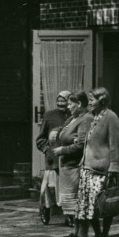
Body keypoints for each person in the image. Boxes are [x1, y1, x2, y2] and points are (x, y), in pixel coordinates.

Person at [71, 87, 119, 237]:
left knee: (103, 204)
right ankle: (98, 236)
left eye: (92, 100)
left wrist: (114, 166)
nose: (90, 103)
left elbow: (115, 144)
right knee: (89, 205)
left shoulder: (111, 117)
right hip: (88, 168)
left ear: (102, 100)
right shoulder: (95, 117)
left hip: (101, 169)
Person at [52, 91, 92, 233]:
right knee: (71, 203)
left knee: (77, 201)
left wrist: (63, 150)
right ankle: (76, 231)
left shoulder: (85, 119)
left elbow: (81, 144)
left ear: (79, 104)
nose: (68, 107)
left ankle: (81, 233)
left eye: (70, 104)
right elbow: (64, 131)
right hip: (67, 167)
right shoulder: (73, 118)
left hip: (75, 165)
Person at [35, 90, 71, 224]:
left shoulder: (73, 116)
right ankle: (46, 210)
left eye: (64, 101)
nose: (61, 104)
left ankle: (69, 215)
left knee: (67, 188)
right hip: (52, 159)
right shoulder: (50, 115)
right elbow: (40, 139)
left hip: (68, 158)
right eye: (59, 101)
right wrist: (46, 150)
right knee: (50, 188)